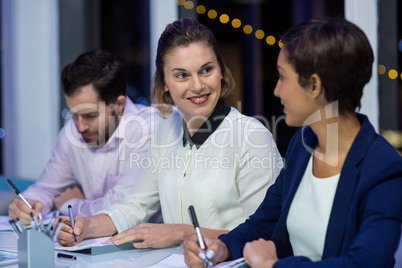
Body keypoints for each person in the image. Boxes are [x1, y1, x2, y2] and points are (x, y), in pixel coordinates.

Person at [183, 17, 402, 267]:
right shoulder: (304, 144)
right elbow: (263, 223)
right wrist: (222, 247)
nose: (276, 90)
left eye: (283, 77)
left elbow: (364, 263)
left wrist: (271, 265)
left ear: (315, 85)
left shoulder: (384, 168)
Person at [56, 18, 283, 249]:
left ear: (221, 72)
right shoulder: (166, 129)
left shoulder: (252, 137)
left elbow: (265, 233)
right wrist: (85, 226)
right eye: (182, 75)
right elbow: (136, 206)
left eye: (206, 70)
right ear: (164, 83)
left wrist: (181, 234)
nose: (197, 86)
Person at [8, 49, 162, 225]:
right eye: (73, 114)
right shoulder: (71, 133)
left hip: (151, 249)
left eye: (90, 115)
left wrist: (70, 204)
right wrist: (28, 205)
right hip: (93, 246)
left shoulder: (149, 129)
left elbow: (124, 207)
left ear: (119, 105)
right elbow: (45, 188)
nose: (80, 127)